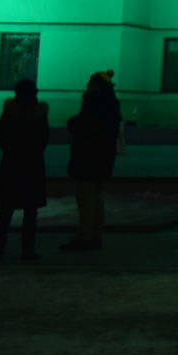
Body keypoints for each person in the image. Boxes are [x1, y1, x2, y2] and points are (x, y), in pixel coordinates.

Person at [62, 70, 120, 252]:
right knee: (96, 196)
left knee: (86, 196)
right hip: (102, 156)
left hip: (88, 156)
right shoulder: (110, 103)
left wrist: (73, 123)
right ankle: (94, 234)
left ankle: (85, 235)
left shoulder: (94, 103)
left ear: (96, 86)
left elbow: (86, 126)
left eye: (89, 83)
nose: (86, 86)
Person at [0, 78, 50, 261]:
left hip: (12, 164)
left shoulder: (9, 112)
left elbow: (1, 136)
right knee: (30, 211)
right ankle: (27, 250)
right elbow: (43, 139)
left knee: (6, 211)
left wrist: (12, 149)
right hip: (32, 164)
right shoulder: (39, 113)